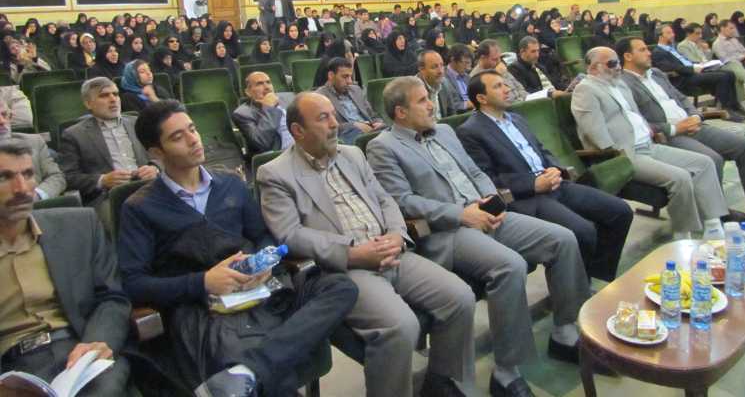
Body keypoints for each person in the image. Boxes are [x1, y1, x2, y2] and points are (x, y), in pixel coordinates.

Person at [367, 77, 594, 396]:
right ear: (400, 112)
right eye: (422, 101)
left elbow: (475, 172)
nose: (431, 105)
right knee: (510, 265)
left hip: (486, 213)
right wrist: (461, 214)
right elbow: (402, 201)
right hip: (448, 230)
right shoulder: (383, 146)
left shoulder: (444, 131)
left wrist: (491, 198)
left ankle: (565, 332)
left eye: (429, 99)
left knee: (563, 239)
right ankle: (506, 372)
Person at [118, 100, 357, 397]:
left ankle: (250, 370)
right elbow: (134, 283)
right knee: (252, 358)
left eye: (192, 129)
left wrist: (264, 261)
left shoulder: (230, 184)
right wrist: (203, 282)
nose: (193, 140)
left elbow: (262, 235)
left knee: (339, 287)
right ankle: (255, 369)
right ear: (156, 152)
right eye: (178, 137)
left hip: (258, 288)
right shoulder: (140, 207)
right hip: (205, 310)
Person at [259, 92, 476, 397]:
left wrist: (397, 234)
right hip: (345, 267)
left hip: (391, 250)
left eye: (334, 115)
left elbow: (385, 199)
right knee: (401, 326)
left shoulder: (352, 155)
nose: (335, 124)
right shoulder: (276, 173)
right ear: (297, 130)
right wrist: (351, 253)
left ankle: (440, 384)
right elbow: (289, 234)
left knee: (460, 297)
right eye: (323, 118)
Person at [458, 71, 632, 282]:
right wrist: (533, 184)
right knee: (582, 231)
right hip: (527, 197)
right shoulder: (470, 131)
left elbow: (541, 150)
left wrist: (555, 168)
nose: (507, 89)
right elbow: (487, 178)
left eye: (505, 84)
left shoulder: (517, 119)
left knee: (620, 211)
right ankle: (578, 287)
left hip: (554, 183)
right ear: (481, 98)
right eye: (497, 86)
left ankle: (598, 276)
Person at [618, 37, 745, 235]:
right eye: (642, 50)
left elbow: (681, 98)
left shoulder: (656, 74)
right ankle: (716, 212)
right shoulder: (623, 84)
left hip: (694, 125)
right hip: (670, 135)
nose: (649, 52)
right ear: (628, 56)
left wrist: (695, 116)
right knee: (712, 158)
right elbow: (638, 123)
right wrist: (674, 127)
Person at [0, 141, 132, 395]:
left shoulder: (79, 226)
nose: (22, 189)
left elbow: (112, 298)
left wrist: (98, 341)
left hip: (79, 350)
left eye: (28, 174)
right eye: (4, 177)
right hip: (10, 368)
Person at [571, 47, 731, 239]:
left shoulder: (619, 85)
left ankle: (713, 225)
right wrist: (615, 153)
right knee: (680, 177)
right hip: (625, 154)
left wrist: (650, 132)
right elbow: (593, 131)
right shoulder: (586, 90)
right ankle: (682, 234)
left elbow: (635, 116)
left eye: (618, 62)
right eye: (612, 63)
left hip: (648, 145)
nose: (618, 67)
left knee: (704, 163)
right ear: (594, 67)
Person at [58, 77, 158, 205]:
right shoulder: (74, 134)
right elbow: (68, 177)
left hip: (149, 188)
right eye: (104, 96)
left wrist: (155, 168)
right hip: (110, 198)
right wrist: (102, 180)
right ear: (88, 103)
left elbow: (163, 155)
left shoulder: (138, 123)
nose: (113, 99)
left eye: (115, 94)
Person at [652, 24, 745, 121]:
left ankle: (734, 106)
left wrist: (699, 65)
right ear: (660, 36)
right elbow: (670, 67)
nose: (673, 35)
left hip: (693, 72)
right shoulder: (658, 52)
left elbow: (684, 62)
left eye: (672, 32)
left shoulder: (672, 48)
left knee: (729, 73)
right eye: (669, 33)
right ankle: (727, 111)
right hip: (683, 78)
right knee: (722, 77)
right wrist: (692, 68)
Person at [0, 100, 66, 200]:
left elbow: (56, 177)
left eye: (4, 115)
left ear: (11, 116)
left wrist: (37, 195)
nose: (2, 121)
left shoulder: (34, 142)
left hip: (37, 206)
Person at [315, 58, 385, 144]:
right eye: (345, 77)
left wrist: (378, 122)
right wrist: (354, 125)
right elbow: (326, 126)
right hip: (348, 135)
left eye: (350, 77)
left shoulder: (356, 90)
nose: (349, 81)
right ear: (331, 75)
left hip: (371, 130)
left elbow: (372, 115)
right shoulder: (320, 96)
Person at [232, 72, 295, 155]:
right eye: (259, 84)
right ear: (248, 92)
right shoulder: (243, 113)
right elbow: (262, 142)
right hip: (281, 155)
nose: (267, 87)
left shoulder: (290, 98)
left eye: (268, 82)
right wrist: (269, 108)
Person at [470, 40, 528, 104]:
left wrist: (523, 99)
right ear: (483, 58)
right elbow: (494, 102)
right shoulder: (476, 77)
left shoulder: (499, 66)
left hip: (522, 101)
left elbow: (519, 87)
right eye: (494, 59)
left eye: (499, 58)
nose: (498, 61)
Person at [417, 50, 462, 121]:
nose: (440, 71)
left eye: (442, 65)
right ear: (422, 69)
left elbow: (452, 114)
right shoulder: (414, 89)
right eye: (434, 67)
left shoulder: (445, 83)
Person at [444, 44, 474, 111]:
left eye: (469, 63)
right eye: (465, 63)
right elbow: (449, 106)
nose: (468, 68)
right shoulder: (443, 78)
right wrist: (468, 104)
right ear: (453, 60)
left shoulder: (468, 77)